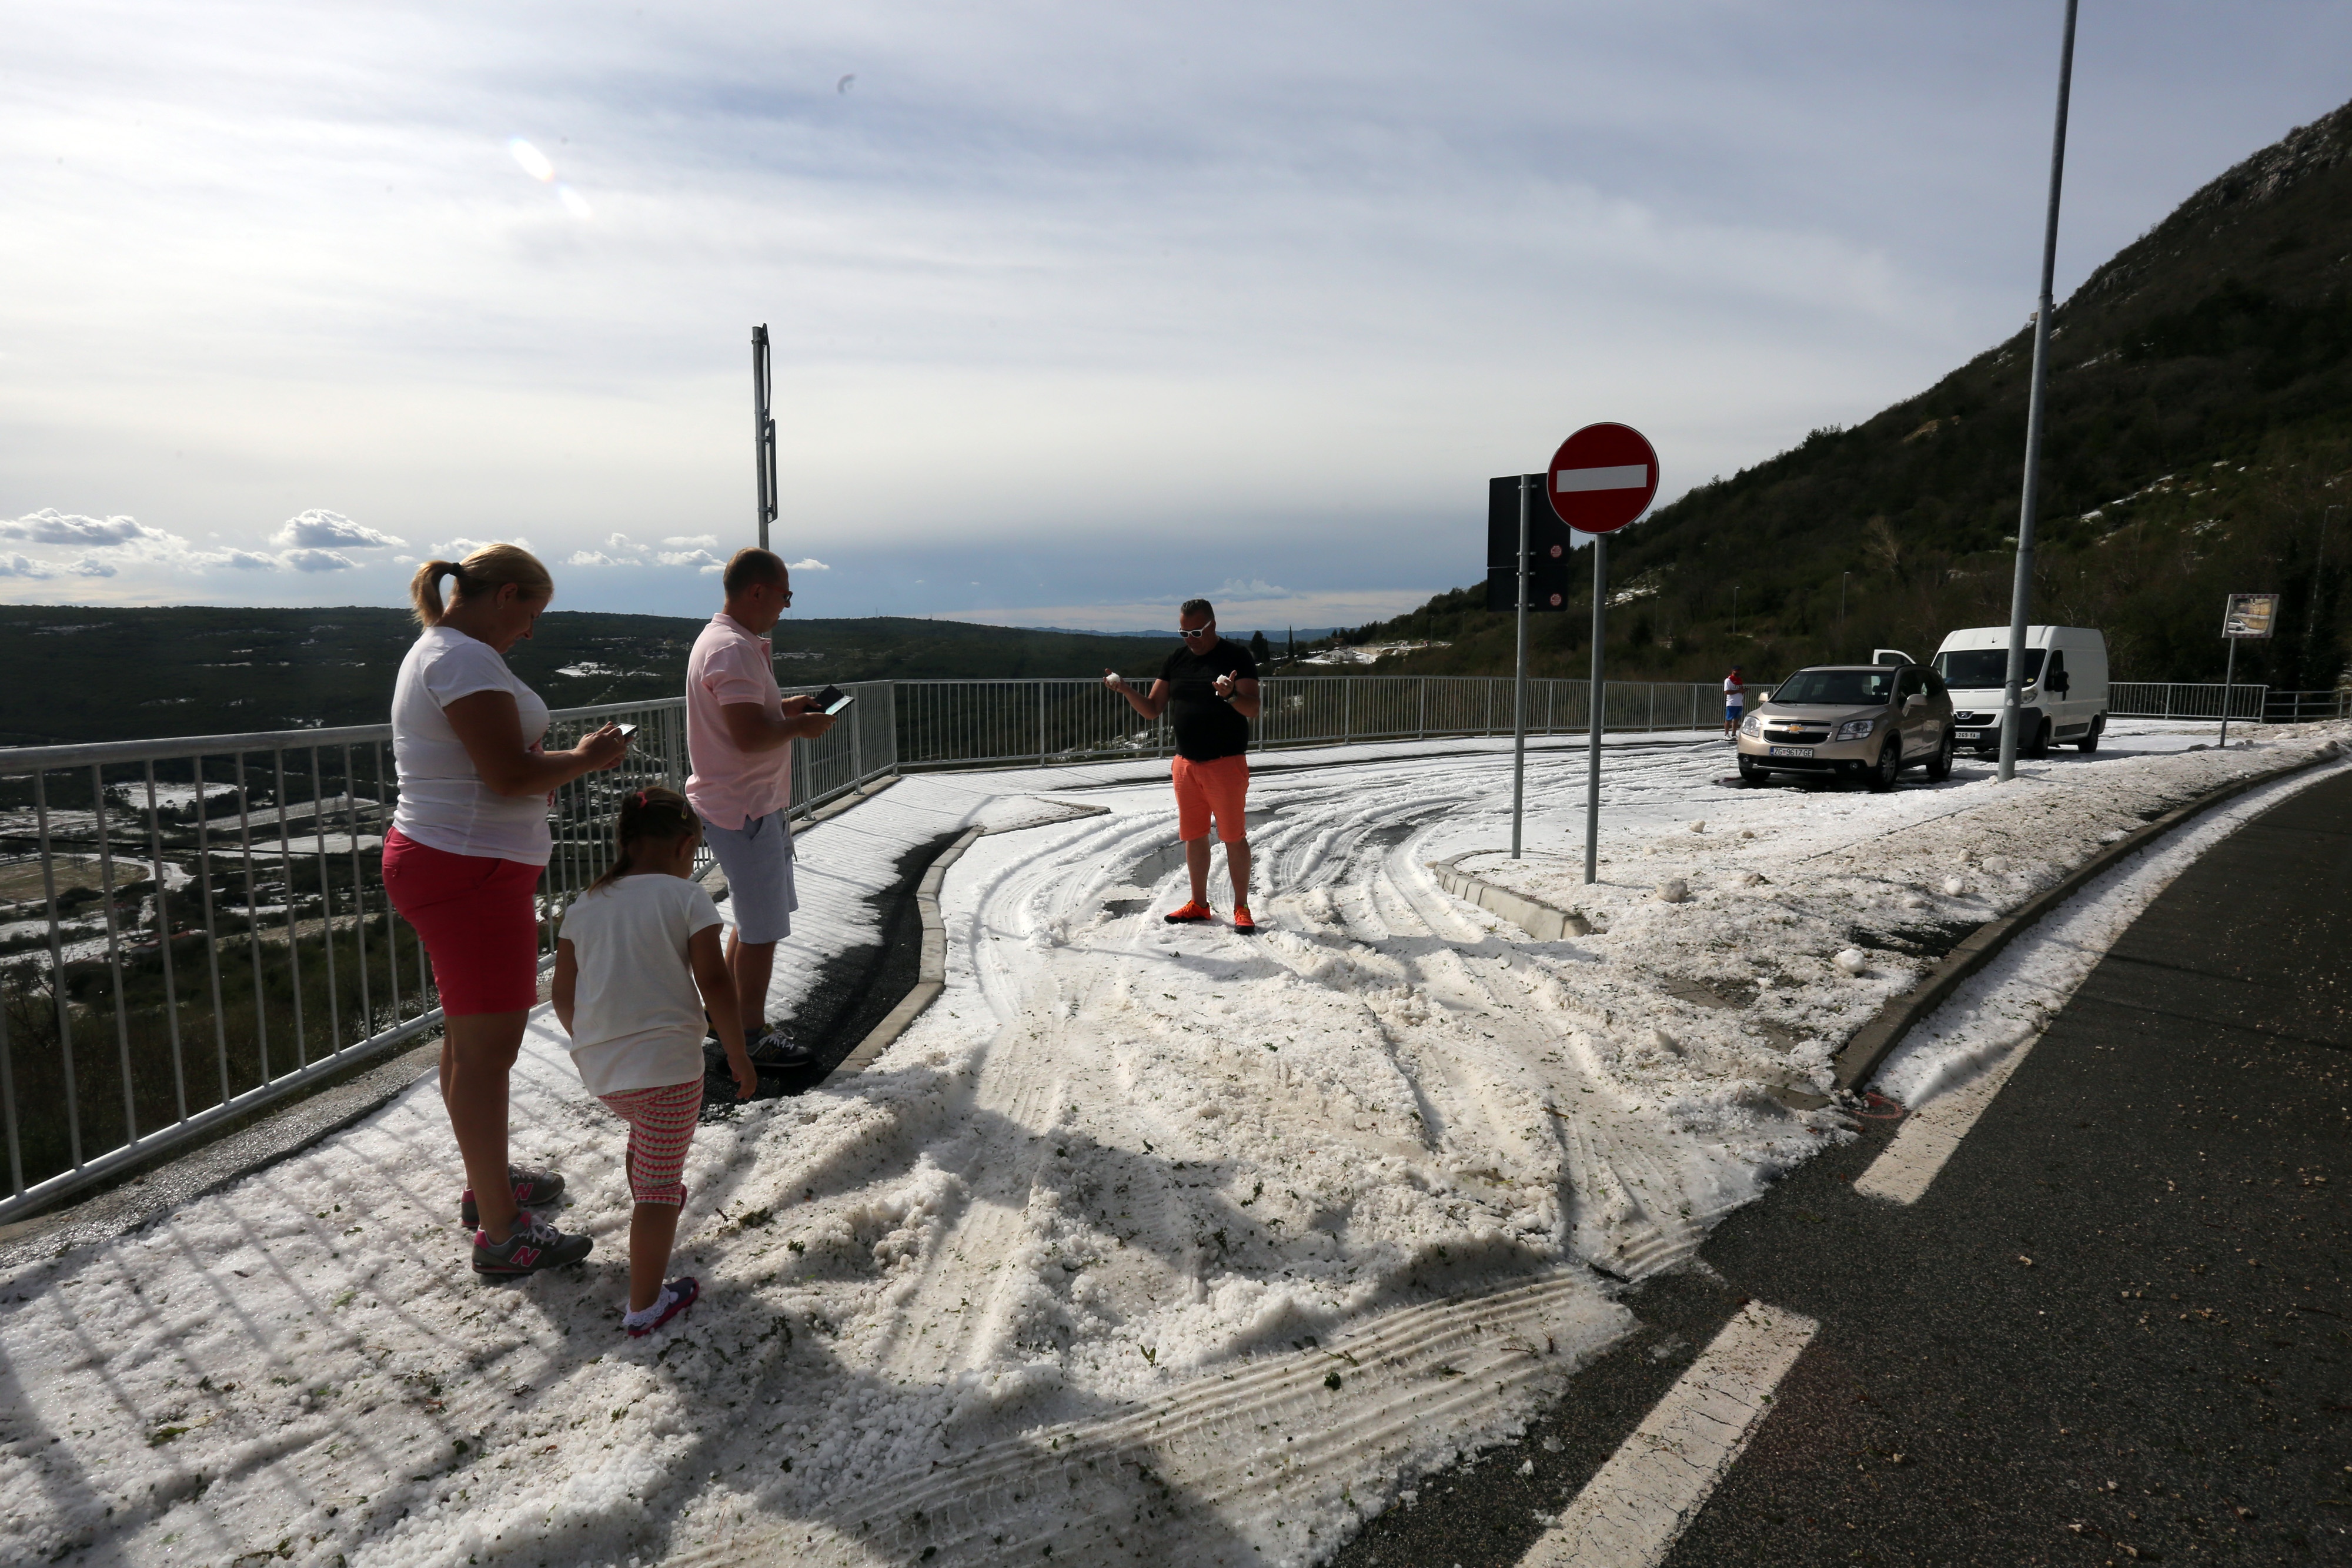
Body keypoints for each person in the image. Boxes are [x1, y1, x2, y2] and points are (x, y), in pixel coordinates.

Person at [384, 544, 630, 1278]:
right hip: (468, 871)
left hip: (456, 859)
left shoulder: (443, 650)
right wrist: (585, 760)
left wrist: (551, 768)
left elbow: (491, 771)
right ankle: (500, 1233)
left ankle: (486, 1187)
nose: (531, 631)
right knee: (489, 1054)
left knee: (468, 1045)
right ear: (508, 594)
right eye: (532, 614)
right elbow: (506, 774)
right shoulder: (459, 659)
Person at [552, 787, 759, 1336]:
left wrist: (593, 1035)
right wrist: (736, 1051)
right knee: (661, 1190)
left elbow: (562, 994)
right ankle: (645, 1302)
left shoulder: (585, 904)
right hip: (668, 1070)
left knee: (645, 1141)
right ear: (687, 843)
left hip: (603, 1071)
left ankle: (652, 1192)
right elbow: (714, 980)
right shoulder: (686, 897)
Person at [684, 548, 838, 1068]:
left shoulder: (727, 642)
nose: (786, 606)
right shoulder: (732, 649)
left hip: (744, 806)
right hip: (744, 809)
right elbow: (749, 737)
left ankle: (723, 1016)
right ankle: (747, 1036)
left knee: (753, 924)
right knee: (763, 928)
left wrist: (785, 708)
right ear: (757, 592)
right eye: (784, 595)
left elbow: (747, 718)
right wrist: (799, 726)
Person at [1102, 597, 1262, 932]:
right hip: (1186, 764)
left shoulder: (1237, 657)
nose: (1190, 638)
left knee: (1233, 837)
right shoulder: (1176, 659)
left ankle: (1242, 907)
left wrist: (1231, 695)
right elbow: (1152, 709)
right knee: (1194, 836)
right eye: (1183, 632)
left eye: (1195, 631)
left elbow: (1253, 709)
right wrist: (1126, 689)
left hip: (1225, 763)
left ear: (1212, 626)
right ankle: (1199, 905)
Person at [1723, 665, 1746, 738]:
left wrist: (1743, 691)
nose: (1738, 672)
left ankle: (1734, 734)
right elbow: (1727, 692)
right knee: (1729, 719)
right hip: (1732, 703)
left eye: (1739, 671)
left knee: (1737, 719)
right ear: (1733, 671)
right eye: (1736, 671)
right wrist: (1738, 691)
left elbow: (1741, 689)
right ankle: (1726, 734)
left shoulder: (1740, 680)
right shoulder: (1728, 680)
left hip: (1739, 703)